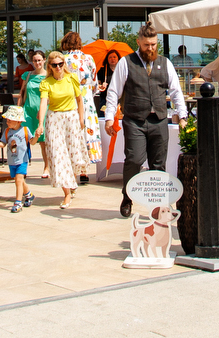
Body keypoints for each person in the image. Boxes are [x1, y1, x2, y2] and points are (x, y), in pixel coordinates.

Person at [105, 25, 187, 217]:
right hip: (135, 120)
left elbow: (176, 91)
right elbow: (114, 92)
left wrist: (182, 115)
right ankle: (127, 196)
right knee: (134, 160)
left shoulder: (165, 63)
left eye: (153, 44)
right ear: (138, 42)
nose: (150, 48)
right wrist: (109, 118)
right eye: (146, 45)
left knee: (158, 164)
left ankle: (159, 206)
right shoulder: (126, 63)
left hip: (159, 120)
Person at [36, 51, 92, 209]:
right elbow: (43, 103)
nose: (58, 67)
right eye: (54, 65)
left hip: (71, 117)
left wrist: (81, 119)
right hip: (54, 118)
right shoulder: (46, 83)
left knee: (73, 154)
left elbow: (79, 100)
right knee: (57, 155)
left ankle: (72, 181)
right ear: (50, 66)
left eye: (60, 64)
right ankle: (66, 192)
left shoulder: (71, 78)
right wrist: (40, 124)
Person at [58, 36, 102, 176]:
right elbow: (94, 83)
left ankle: (72, 169)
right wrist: (89, 92)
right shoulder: (88, 59)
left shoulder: (63, 60)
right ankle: (84, 171)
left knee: (71, 133)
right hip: (87, 99)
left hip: (69, 100)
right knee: (86, 132)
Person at [2, 103, 35, 212]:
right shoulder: (7, 131)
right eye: (7, 120)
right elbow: (3, 143)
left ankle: (18, 203)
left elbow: (32, 142)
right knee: (18, 180)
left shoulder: (25, 130)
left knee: (19, 180)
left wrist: (37, 136)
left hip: (22, 160)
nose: (7, 122)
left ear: (18, 121)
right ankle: (29, 194)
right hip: (12, 160)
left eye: (10, 120)